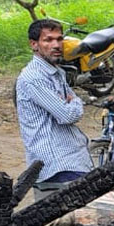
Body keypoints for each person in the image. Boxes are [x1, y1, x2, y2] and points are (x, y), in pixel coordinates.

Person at [16, 20, 92, 198]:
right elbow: (67, 115)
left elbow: (71, 103)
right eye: (48, 40)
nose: (56, 45)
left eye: (59, 39)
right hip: (57, 166)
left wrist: (72, 102)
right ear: (34, 44)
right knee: (69, 222)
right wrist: (74, 103)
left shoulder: (56, 72)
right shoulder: (34, 77)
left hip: (71, 159)